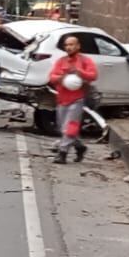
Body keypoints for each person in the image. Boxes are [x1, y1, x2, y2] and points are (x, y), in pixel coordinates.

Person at [48, 32, 97, 164]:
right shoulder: (61, 61)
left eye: (71, 44)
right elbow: (51, 77)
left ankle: (62, 153)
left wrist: (79, 72)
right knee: (62, 128)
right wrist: (61, 77)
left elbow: (93, 75)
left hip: (77, 99)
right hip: (62, 99)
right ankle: (80, 147)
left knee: (69, 128)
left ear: (78, 46)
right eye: (66, 45)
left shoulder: (86, 61)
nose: (68, 47)